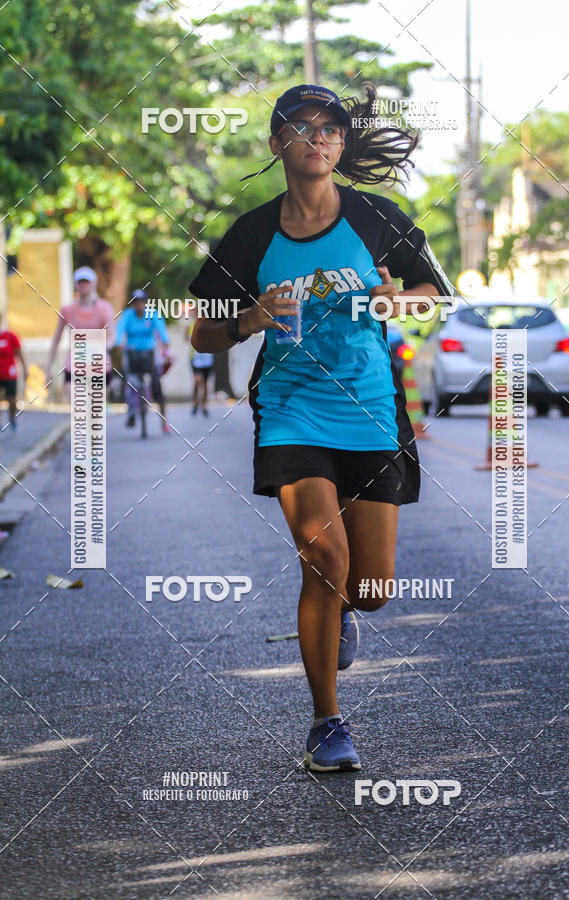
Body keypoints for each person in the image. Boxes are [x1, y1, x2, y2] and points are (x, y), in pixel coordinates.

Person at [189, 83, 456, 773]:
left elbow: (436, 296)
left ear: (342, 142)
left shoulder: (374, 218)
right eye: (303, 128)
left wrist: (402, 300)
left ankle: (339, 614)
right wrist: (250, 319)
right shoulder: (251, 235)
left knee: (369, 590)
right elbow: (201, 333)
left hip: (370, 409)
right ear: (277, 143)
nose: (320, 138)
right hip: (291, 408)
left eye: (331, 128)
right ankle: (326, 724)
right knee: (325, 561)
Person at [46, 266, 115, 400]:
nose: (83, 285)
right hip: (75, 365)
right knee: (78, 411)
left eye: (87, 282)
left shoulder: (104, 308)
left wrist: (104, 347)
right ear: (76, 284)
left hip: (98, 365)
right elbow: (56, 340)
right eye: (80, 282)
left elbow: (112, 335)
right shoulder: (67, 310)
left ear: (94, 284)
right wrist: (49, 368)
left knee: (96, 413)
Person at [115, 289, 171, 433]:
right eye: (136, 302)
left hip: (149, 353)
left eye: (141, 302)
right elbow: (119, 331)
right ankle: (131, 411)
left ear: (146, 303)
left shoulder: (153, 314)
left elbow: (162, 331)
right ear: (132, 304)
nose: (139, 305)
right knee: (130, 383)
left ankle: (164, 421)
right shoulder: (127, 316)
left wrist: (165, 343)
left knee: (157, 385)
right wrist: (119, 343)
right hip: (132, 353)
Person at [0, 322, 28, 431]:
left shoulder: (10, 336)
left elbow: (20, 353)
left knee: (11, 399)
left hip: (9, 374)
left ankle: (12, 418)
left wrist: (25, 369)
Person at [187, 321, 214, 416]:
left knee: (206, 384)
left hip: (207, 359)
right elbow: (186, 338)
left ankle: (204, 405)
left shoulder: (211, 324)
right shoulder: (192, 325)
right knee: (197, 381)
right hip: (196, 359)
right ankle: (195, 402)